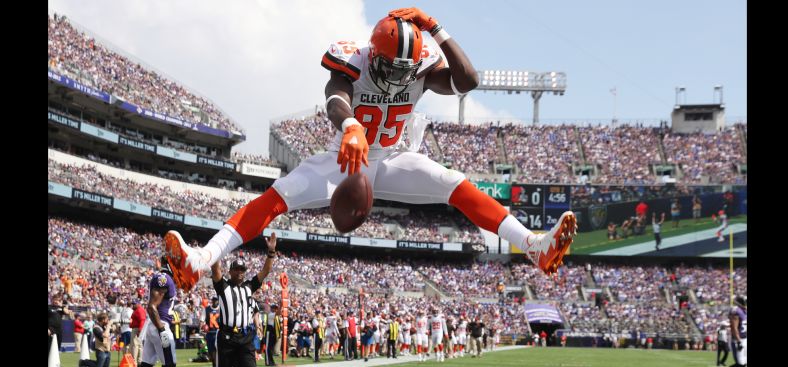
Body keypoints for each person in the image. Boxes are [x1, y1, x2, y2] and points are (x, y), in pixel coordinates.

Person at [163, 6, 577, 294]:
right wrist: (350, 127)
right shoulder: (353, 60)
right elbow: (334, 95)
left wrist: (436, 27)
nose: (398, 77)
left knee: (454, 184)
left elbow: (467, 81)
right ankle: (200, 262)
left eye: (405, 70)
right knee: (276, 198)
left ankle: (534, 246)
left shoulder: (420, 64)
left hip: (394, 158)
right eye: (390, 66)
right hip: (348, 159)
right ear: (373, 53)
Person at [211, 232, 277, 367]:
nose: (240, 273)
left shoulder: (249, 287)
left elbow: (265, 272)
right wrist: (215, 251)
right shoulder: (222, 287)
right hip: (226, 336)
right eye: (237, 270)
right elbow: (216, 271)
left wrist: (271, 253)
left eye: (242, 270)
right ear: (230, 272)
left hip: (246, 336)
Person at [117, 257, 193, 367]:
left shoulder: (166, 279)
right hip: (159, 325)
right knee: (169, 366)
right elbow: (151, 307)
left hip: (154, 325)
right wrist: (162, 330)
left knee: (145, 365)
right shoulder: (163, 278)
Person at [718, 297, 747, 367]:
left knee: (743, 363)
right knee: (741, 363)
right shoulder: (736, 311)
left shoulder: (744, 311)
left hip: (745, 338)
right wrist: (738, 341)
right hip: (738, 339)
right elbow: (734, 328)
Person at [205, 296, 221, 367]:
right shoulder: (207, 309)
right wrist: (203, 325)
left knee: (218, 350)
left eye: (216, 300)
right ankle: (214, 365)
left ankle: (217, 366)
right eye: (213, 300)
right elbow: (203, 320)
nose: (215, 302)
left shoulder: (221, 309)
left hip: (218, 332)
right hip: (210, 332)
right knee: (211, 351)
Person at [130, 300, 146, 366]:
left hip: (137, 329)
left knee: (135, 345)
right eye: (132, 304)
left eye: (134, 304)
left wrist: (140, 330)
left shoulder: (139, 310)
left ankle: (135, 362)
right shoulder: (138, 310)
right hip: (138, 328)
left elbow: (142, 320)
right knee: (139, 345)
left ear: (138, 304)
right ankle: (140, 361)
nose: (133, 305)